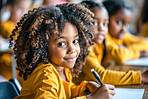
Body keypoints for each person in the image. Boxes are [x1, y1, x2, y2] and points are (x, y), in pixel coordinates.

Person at [10, 3, 115, 98]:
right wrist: (91, 98)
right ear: (44, 46)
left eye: (75, 41)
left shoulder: (62, 68)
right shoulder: (46, 74)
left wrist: (84, 87)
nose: (72, 49)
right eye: (61, 44)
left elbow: (66, 92)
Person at [73, 0, 148, 86]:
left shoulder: (100, 43)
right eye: (94, 23)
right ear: (80, 24)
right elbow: (102, 75)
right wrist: (141, 76)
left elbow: (144, 42)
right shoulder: (83, 50)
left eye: (105, 23)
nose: (102, 28)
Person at [102, 0, 148, 65]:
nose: (124, 29)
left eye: (126, 24)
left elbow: (144, 42)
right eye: (119, 22)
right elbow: (120, 56)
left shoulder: (121, 35)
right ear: (106, 19)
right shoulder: (103, 37)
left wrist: (126, 49)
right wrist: (140, 53)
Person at [0, 0, 33, 80]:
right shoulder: (5, 25)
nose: (24, 13)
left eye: (26, 9)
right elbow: (16, 37)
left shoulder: (26, 26)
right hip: (8, 70)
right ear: (9, 8)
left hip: (21, 70)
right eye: (20, 9)